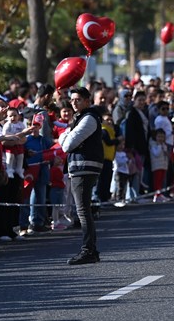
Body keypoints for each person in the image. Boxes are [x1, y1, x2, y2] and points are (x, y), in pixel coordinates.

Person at [60, 87, 104, 265]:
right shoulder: (80, 118)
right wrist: (67, 135)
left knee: (83, 211)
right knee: (83, 210)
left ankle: (88, 251)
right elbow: (66, 138)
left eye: (78, 99)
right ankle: (90, 249)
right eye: (72, 100)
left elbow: (67, 144)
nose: (74, 102)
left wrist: (66, 136)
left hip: (85, 168)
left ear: (87, 100)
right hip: (81, 168)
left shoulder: (89, 119)